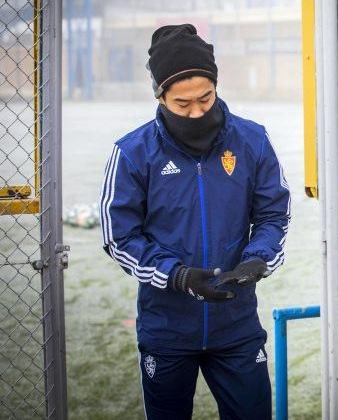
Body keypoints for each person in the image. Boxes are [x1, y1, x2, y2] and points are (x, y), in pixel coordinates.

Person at [100, 24, 291, 419]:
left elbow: (274, 213)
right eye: (183, 104)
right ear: (160, 96)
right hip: (167, 330)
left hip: (236, 326)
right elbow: (120, 237)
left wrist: (258, 259)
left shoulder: (252, 140)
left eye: (206, 98)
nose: (197, 111)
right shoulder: (133, 153)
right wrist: (178, 276)